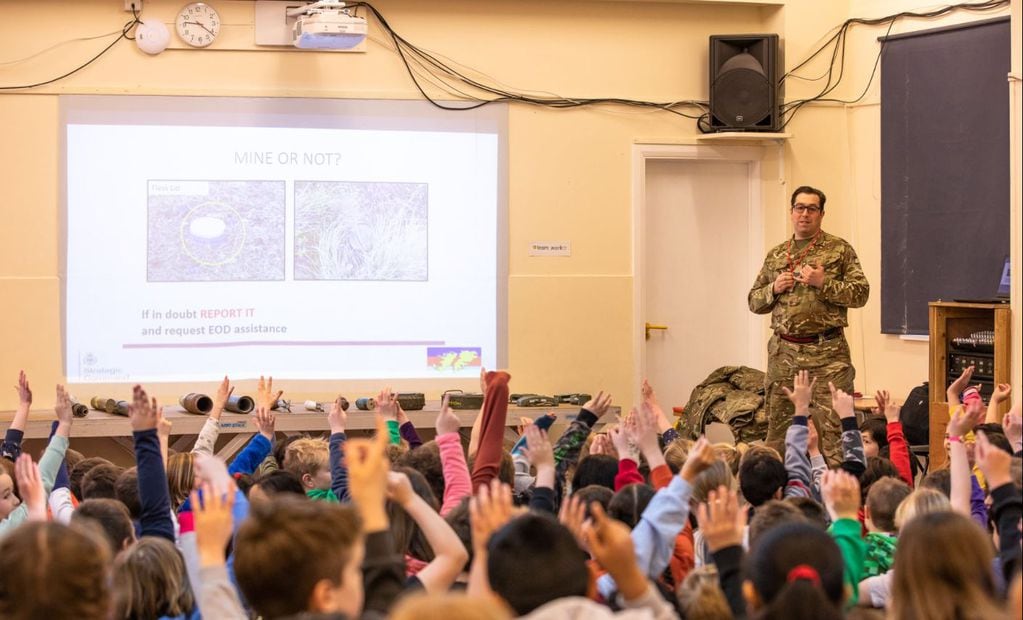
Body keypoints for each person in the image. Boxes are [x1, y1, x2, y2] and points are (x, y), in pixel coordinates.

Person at [748, 185, 869, 465]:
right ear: (791, 213)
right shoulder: (777, 255)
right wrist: (773, 289)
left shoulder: (839, 250)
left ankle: (838, 497)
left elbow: (861, 294)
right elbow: (754, 302)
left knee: (834, 433)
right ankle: (776, 498)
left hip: (828, 354)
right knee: (777, 433)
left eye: (811, 209)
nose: (805, 214)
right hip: (784, 354)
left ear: (821, 214)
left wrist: (823, 283)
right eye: (799, 208)